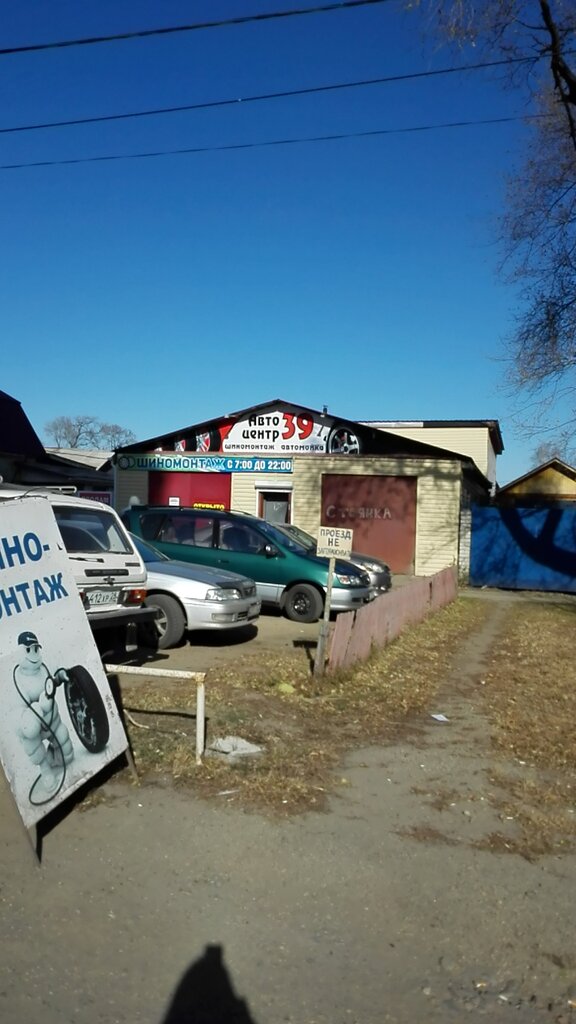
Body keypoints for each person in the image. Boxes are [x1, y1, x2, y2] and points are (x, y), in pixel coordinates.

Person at [13, 631, 74, 802]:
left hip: (53, 722)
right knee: (32, 744)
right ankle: (45, 768)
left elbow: (54, 678)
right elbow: (18, 715)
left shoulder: (44, 668)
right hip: (35, 729)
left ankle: (54, 756)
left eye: (35, 649)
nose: (33, 653)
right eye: (28, 650)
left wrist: (60, 676)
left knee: (68, 755)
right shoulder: (18, 681)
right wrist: (36, 711)